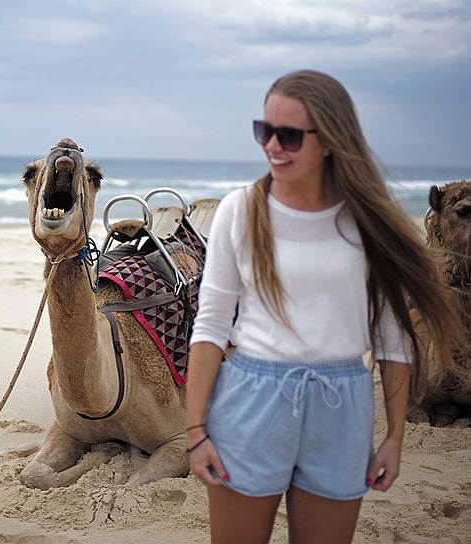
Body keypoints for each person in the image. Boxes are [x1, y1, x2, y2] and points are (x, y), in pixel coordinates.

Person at [185, 69, 459, 543]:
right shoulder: (239, 211)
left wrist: (394, 438)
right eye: (264, 131)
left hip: (342, 405)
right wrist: (195, 431)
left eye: (289, 136)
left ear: (331, 139)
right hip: (251, 400)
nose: (272, 146)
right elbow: (209, 327)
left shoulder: (367, 222)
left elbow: (393, 341)